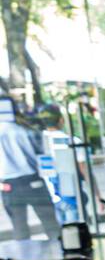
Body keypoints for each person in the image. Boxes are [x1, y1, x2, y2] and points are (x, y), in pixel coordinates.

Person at [0, 96, 59, 240]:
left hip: (8, 185)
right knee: (51, 225)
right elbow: (44, 156)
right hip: (33, 182)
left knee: (19, 228)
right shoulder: (28, 129)